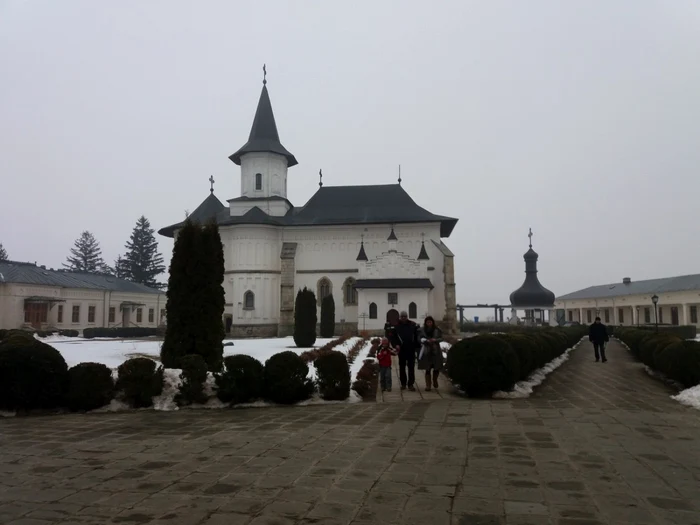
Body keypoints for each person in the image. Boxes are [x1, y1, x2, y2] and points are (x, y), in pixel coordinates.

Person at [388, 310, 419, 391]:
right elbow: (392, 337)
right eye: (402, 316)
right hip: (401, 349)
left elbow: (416, 336)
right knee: (402, 367)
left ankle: (411, 384)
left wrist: (416, 346)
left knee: (411, 367)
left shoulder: (412, 325)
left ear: (407, 316)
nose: (403, 318)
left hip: (410, 349)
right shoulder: (396, 326)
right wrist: (396, 345)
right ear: (400, 317)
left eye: (405, 316)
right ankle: (403, 384)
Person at [418, 316, 444, 391]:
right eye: (427, 322)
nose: (429, 323)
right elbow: (419, 338)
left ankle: (435, 380)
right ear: (425, 323)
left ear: (432, 322)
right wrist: (424, 340)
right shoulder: (422, 330)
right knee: (427, 368)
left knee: (436, 367)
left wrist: (435, 340)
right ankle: (428, 385)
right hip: (427, 350)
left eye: (430, 322)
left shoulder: (437, 329)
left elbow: (441, 338)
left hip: (435, 350)